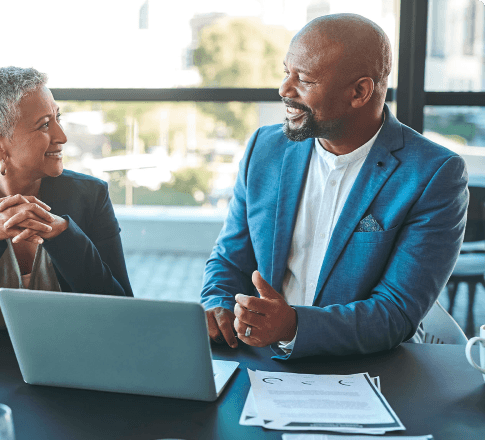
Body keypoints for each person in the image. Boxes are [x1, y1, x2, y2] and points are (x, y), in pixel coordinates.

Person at [201, 14, 469, 359]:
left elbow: (396, 312)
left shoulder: (434, 175)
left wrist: (294, 327)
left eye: (305, 80)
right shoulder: (264, 149)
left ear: (359, 92)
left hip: (365, 373)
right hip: (258, 358)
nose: (285, 89)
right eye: (287, 72)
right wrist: (218, 304)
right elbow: (229, 259)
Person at [0, 66, 133, 339]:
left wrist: (65, 235)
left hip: (76, 358)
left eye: (58, 118)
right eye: (45, 124)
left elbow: (122, 311)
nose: (62, 136)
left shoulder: (91, 196)